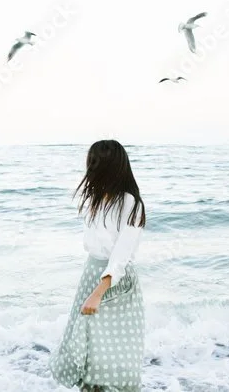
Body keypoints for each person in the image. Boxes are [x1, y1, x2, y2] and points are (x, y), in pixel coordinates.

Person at [50, 140, 147, 392]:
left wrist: (98, 292)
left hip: (116, 282)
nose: (89, 168)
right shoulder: (96, 199)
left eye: (94, 163)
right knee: (89, 350)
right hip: (92, 273)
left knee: (115, 356)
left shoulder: (130, 203)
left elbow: (121, 255)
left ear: (109, 167)